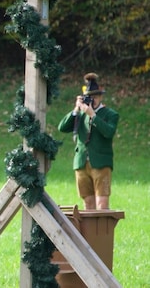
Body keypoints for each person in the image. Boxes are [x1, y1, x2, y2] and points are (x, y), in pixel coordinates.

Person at [58, 72, 119, 210]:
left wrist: (93, 115)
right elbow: (62, 127)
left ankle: (103, 231)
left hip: (101, 163)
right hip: (81, 162)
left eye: (96, 97)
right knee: (88, 204)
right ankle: (89, 232)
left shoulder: (110, 114)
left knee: (102, 204)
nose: (93, 100)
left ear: (101, 97)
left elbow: (109, 132)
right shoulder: (80, 115)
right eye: (90, 97)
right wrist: (76, 110)